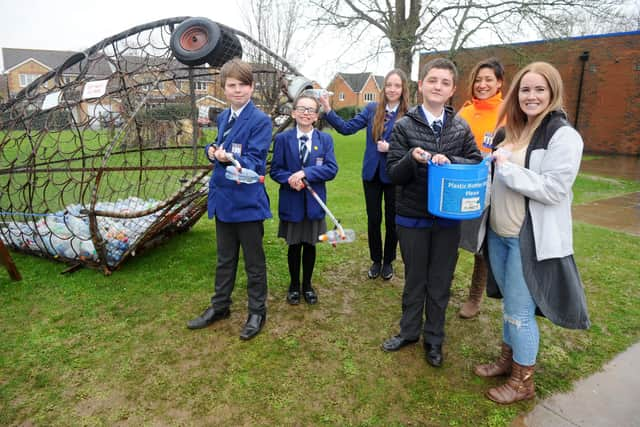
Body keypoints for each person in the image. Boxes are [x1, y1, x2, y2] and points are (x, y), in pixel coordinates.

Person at [474, 62, 590, 404]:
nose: (531, 96)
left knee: (520, 312)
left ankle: (523, 382)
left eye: (540, 89)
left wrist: (508, 170)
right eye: (525, 89)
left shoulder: (562, 135)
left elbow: (555, 189)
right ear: (516, 93)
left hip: (529, 240)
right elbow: (493, 180)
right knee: (509, 305)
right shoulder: (509, 130)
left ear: (553, 93)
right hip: (498, 233)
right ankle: (507, 361)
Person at [382, 58, 481, 367]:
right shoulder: (404, 125)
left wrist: (448, 158)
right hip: (412, 217)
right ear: (421, 85)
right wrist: (412, 158)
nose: (438, 86)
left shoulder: (460, 127)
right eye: (433, 80)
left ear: (452, 90)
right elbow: (394, 174)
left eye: (445, 82)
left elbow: (476, 161)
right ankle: (409, 331)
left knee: (440, 281)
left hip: (447, 219)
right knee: (415, 279)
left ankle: (434, 340)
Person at [187, 59, 272, 341]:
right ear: (223, 88)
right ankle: (220, 306)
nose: (238, 91)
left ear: (252, 87)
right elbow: (219, 145)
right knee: (225, 260)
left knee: (254, 262)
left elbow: (256, 163)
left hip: (247, 203)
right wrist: (212, 150)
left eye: (243, 85)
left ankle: (257, 312)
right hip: (223, 200)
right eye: (232, 86)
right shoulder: (224, 117)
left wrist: (229, 157)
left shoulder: (260, 121)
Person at [319, 69, 410, 281]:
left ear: (403, 88)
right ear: (383, 88)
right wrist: (327, 109)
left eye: (397, 85)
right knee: (374, 219)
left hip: (396, 174)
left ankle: (388, 262)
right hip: (371, 174)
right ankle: (376, 260)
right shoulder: (371, 109)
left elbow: (414, 146)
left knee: (392, 221)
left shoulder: (409, 114)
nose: (392, 89)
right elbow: (347, 128)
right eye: (389, 85)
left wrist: (392, 148)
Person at [270, 94, 338, 305]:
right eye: (302, 108)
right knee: (294, 245)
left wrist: (306, 173)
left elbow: (331, 168)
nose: (306, 113)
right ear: (293, 113)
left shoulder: (324, 139)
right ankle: (293, 286)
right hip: (292, 201)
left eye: (310, 110)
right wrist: (290, 179)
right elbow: (275, 170)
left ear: (316, 116)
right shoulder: (282, 139)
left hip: (314, 203)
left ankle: (307, 285)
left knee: (310, 244)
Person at [456, 58, 506, 319]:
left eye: (489, 79)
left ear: (499, 82)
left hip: (492, 190)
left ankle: (474, 298)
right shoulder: (463, 112)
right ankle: (440, 286)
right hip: (460, 186)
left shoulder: (508, 112)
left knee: (482, 244)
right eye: (478, 79)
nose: (483, 84)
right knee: (449, 238)